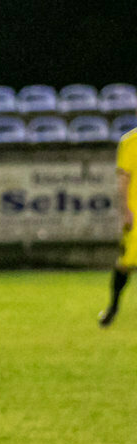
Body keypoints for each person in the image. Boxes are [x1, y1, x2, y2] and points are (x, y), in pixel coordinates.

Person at [98, 116, 137, 326]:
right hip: (136, 214)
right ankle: (113, 307)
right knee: (126, 263)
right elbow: (123, 179)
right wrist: (125, 211)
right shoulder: (130, 142)